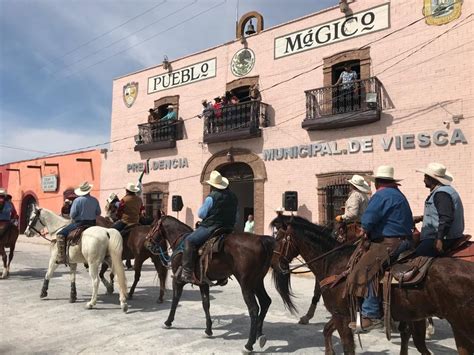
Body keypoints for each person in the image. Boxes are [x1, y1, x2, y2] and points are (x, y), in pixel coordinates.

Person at [346, 166, 413, 332]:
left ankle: (370, 314)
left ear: (377, 182)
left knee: (365, 268)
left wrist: (364, 230)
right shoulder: (399, 194)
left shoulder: (380, 195)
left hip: (389, 243)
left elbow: (368, 219)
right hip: (405, 240)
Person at [180, 170, 238, 283]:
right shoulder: (233, 196)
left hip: (211, 227)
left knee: (189, 240)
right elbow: (237, 215)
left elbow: (201, 214)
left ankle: (187, 272)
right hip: (228, 228)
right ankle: (223, 276)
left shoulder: (211, 197)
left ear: (212, 185)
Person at [415, 163, 464, 256]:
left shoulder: (441, 194)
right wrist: (422, 218)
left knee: (416, 258)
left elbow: (446, 217)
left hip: (444, 238)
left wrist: (439, 239)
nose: (423, 180)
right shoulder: (445, 190)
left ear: (432, 179)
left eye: (425, 177)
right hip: (447, 235)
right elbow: (439, 212)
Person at [56, 182, 101, 264]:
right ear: (89, 191)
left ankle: (61, 257)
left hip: (79, 224)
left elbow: (72, 214)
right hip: (92, 224)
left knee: (60, 234)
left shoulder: (77, 200)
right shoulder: (95, 200)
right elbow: (98, 213)